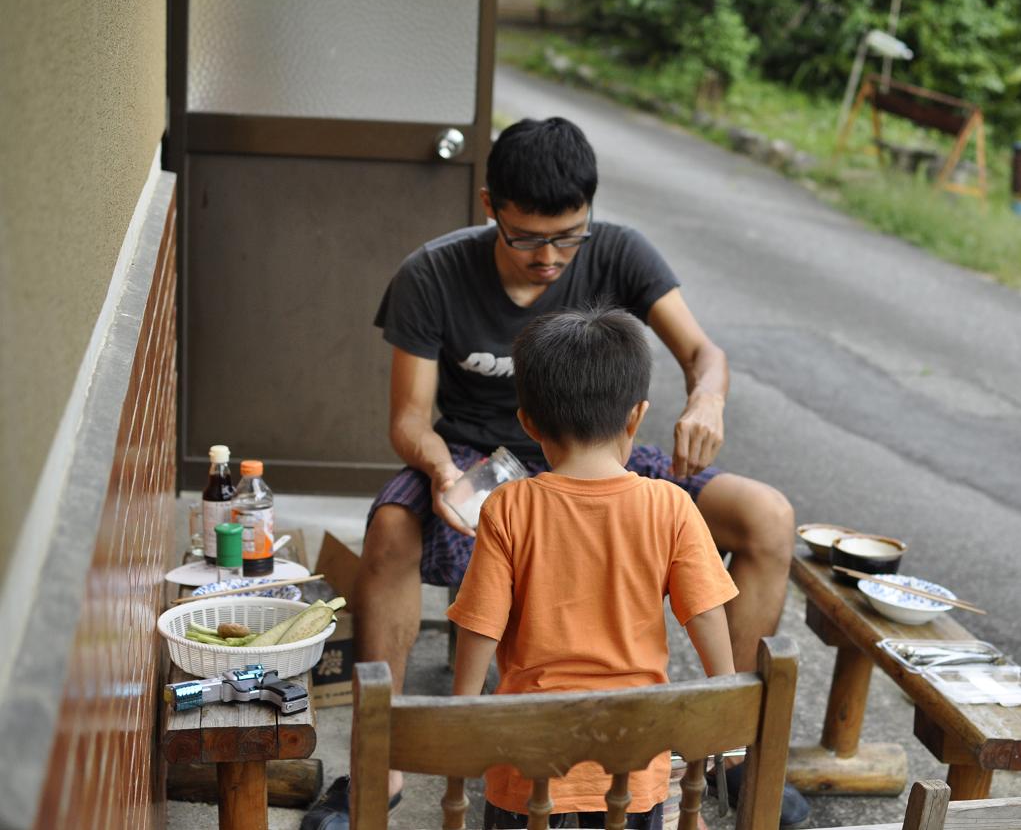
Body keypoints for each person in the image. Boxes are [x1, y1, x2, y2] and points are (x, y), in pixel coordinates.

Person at [299, 117, 805, 830]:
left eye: (569, 235)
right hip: (472, 456)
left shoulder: (620, 252)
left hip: (604, 443)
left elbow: (703, 353)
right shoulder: (432, 274)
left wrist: (707, 401)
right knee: (386, 531)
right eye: (528, 237)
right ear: (489, 206)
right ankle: (379, 769)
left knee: (768, 516)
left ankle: (732, 748)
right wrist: (443, 471)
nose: (550, 257)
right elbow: (409, 418)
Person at [448, 306, 738, 827]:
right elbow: (708, 615)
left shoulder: (509, 506)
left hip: (528, 763)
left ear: (528, 422)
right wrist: (727, 713)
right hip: (633, 763)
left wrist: (459, 721)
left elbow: (479, 627)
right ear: (637, 415)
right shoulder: (670, 505)